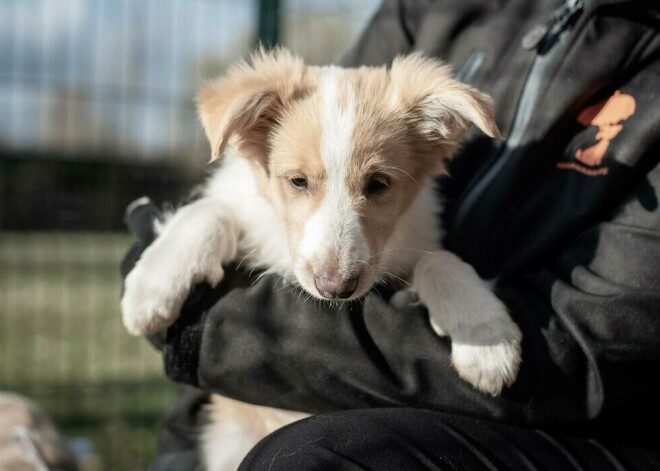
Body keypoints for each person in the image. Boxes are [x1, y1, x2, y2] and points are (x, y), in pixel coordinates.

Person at [121, 0, 660, 469]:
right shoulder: (425, 12)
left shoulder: (421, 178)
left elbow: (593, 346)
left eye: (376, 184)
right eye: (300, 182)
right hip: (243, 424)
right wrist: (194, 230)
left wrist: (446, 280)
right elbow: (222, 209)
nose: (334, 259)